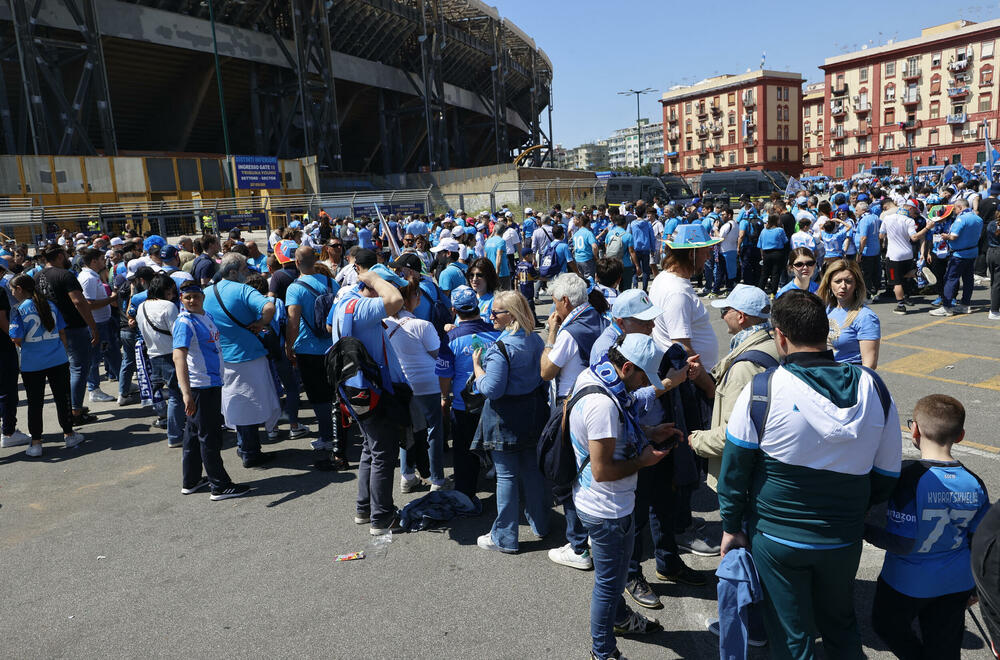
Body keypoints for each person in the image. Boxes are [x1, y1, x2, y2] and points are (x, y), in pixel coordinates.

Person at [718, 289, 902, 660]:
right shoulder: (874, 388)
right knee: (841, 624)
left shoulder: (763, 389)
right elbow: (887, 474)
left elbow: (734, 472)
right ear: (827, 331)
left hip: (777, 538)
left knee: (791, 635)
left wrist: (731, 525)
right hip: (843, 537)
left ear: (780, 336)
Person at [571, 333, 681, 659]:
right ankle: (603, 652)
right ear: (628, 367)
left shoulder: (595, 376)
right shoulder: (603, 405)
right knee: (608, 586)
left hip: (599, 500)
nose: (646, 385)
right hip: (607, 507)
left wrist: (649, 432)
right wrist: (642, 462)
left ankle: (619, 618)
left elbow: (615, 429)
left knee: (613, 580)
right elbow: (603, 469)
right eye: (644, 377)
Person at [868, 394, 990, 660]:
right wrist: (975, 586)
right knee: (944, 646)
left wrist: (864, 530)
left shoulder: (907, 476)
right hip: (957, 580)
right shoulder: (975, 482)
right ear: (960, 436)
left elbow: (900, 541)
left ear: (915, 430)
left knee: (886, 624)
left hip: (905, 580)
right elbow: (980, 541)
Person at [327, 256, 408, 535]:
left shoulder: (345, 302)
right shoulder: (362, 307)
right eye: (387, 285)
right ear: (374, 287)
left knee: (370, 449)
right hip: (371, 390)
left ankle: (365, 508)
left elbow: (329, 327)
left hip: (355, 389)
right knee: (383, 452)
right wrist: (372, 277)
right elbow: (395, 300)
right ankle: (382, 517)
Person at [471, 290, 549, 553]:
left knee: (506, 477)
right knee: (532, 472)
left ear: (511, 315)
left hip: (504, 417)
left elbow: (492, 390)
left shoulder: (500, 349)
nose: (490, 316)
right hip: (533, 412)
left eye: (495, 312)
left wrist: (477, 368)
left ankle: (505, 537)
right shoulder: (534, 340)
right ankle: (541, 524)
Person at [171, 282, 250, 500]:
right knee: (209, 436)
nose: (192, 300)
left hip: (211, 383)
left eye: (195, 296)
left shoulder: (206, 316)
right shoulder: (184, 322)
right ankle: (220, 485)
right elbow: (178, 357)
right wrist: (186, 393)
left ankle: (191, 480)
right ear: (181, 299)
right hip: (201, 386)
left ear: (202, 297)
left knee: (194, 434)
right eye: (187, 297)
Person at [203, 253, 280, 468]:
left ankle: (244, 446)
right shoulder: (243, 289)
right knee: (249, 405)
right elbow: (269, 307)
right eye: (245, 269)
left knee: (236, 404)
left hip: (221, 357)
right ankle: (249, 451)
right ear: (233, 271)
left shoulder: (206, 292)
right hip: (248, 356)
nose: (248, 272)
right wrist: (261, 323)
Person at [385, 271, 449, 492]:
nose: (419, 297)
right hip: (427, 383)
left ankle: (407, 475)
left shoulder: (384, 324)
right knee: (433, 430)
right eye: (417, 294)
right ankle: (437, 480)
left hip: (401, 384)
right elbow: (438, 355)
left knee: (407, 429)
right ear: (409, 298)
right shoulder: (422, 325)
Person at [435, 285, 500, 502]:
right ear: (477, 306)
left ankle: (466, 495)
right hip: (493, 400)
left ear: (453, 310)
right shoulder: (495, 331)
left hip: (464, 404)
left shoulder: (451, 338)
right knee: (498, 449)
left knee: (464, 451)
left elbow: (444, 375)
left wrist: (444, 397)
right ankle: (506, 492)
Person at [8, 274, 83, 455]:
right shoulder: (50, 304)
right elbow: (62, 332)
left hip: (32, 363)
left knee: (35, 403)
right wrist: (61, 350)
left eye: (12, 290)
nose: (12, 293)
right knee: (62, 398)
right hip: (57, 358)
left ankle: (36, 442)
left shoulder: (18, 309)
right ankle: (69, 434)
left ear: (19, 289)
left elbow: (16, 337)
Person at [285, 246, 345, 468]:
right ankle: (340, 434)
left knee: (318, 396)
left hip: (308, 349)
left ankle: (327, 437)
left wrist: (288, 345)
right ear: (316, 259)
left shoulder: (295, 288)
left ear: (296, 262)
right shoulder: (331, 283)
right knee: (335, 393)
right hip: (333, 346)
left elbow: (293, 322)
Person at [36, 245, 99, 426]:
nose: (67, 257)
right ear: (59, 256)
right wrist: (93, 326)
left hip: (52, 329)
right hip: (73, 327)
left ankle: (72, 407)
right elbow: (78, 301)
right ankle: (75, 411)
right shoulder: (65, 275)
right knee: (79, 368)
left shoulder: (37, 276)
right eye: (64, 254)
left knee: (69, 370)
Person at [649, 224, 720, 372]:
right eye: (706, 252)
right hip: (692, 378)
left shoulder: (664, 278)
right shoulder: (677, 293)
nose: (708, 257)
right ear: (692, 255)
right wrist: (708, 383)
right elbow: (683, 347)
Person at [136, 273, 183, 445]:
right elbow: (178, 334)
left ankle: (170, 425)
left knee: (165, 394)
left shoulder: (141, 306)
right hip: (171, 355)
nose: (173, 295)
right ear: (165, 290)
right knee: (177, 396)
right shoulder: (168, 306)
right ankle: (175, 435)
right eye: (171, 291)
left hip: (153, 355)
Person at [817, 259, 880, 368]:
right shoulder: (827, 309)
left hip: (848, 375)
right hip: (825, 372)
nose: (843, 286)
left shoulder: (866, 317)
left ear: (856, 284)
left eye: (848, 281)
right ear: (829, 284)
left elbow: (869, 365)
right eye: (838, 281)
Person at [77, 248, 120, 403]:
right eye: (102, 259)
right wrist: (111, 299)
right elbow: (89, 304)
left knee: (112, 353)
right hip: (97, 325)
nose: (105, 261)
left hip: (104, 323)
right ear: (94, 261)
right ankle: (94, 389)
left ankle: (125, 383)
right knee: (94, 358)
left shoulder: (92, 276)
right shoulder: (88, 278)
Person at [880, 199, 934, 315]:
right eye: (915, 211)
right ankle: (918, 273)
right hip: (908, 254)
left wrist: (927, 228)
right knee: (903, 274)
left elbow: (881, 235)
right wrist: (926, 229)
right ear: (910, 208)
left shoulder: (887, 218)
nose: (916, 213)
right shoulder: (909, 221)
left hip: (894, 256)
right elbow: (914, 237)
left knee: (896, 282)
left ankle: (901, 306)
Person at [930, 198, 983, 316]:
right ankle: (965, 305)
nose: (954, 211)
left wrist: (945, 236)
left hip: (959, 254)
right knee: (968, 280)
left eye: (955, 208)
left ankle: (947, 307)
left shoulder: (961, 219)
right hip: (972, 252)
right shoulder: (978, 218)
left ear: (960, 207)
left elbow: (953, 236)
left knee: (950, 279)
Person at [757, 214, 789, 296]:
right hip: (777, 253)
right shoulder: (780, 230)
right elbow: (785, 241)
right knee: (776, 273)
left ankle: (760, 291)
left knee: (764, 274)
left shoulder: (763, 231)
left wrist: (762, 255)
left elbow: (760, 245)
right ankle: (773, 293)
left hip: (766, 253)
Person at [466, 257, 499, 322]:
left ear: (488, 277)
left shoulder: (495, 301)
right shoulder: (466, 299)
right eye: (471, 275)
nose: (474, 279)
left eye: (479, 275)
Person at [484, 222, 512, 290]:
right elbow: (498, 257)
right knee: (504, 294)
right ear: (504, 231)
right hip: (502, 274)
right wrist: (497, 273)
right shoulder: (501, 241)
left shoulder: (488, 241)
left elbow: (485, 258)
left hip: (490, 273)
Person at [572, 214, 599, 279]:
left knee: (582, 279)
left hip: (578, 259)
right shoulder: (588, 233)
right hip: (587, 259)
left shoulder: (576, 234)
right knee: (589, 279)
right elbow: (594, 246)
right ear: (588, 223)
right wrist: (595, 256)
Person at [988, 209, 1000, 321]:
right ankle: (994, 310)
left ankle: (994, 307)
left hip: (991, 251)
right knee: (997, 283)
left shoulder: (992, 223)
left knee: (994, 282)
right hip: (998, 252)